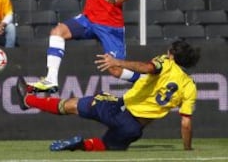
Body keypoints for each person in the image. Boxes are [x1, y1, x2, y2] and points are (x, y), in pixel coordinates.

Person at [16, 40, 200, 151]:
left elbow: (147, 68)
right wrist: (187, 148)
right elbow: (185, 123)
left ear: (172, 56)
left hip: (118, 109)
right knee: (107, 146)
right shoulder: (189, 86)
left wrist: (118, 62)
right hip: (134, 128)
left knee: (70, 105)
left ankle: (28, 100)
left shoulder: (165, 63)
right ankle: (82, 145)